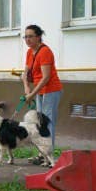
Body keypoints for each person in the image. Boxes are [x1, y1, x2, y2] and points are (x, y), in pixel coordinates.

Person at [21, 24, 63, 162]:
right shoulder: (30, 52)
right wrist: (27, 88)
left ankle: (49, 157)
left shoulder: (45, 52)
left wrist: (31, 94)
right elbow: (25, 73)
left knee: (47, 122)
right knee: (39, 122)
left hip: (51, 90)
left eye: (30, 36)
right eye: (25, 37)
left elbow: (46, 77)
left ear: (38, 37)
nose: (27, 39)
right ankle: (42, 155)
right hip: (39, 91)